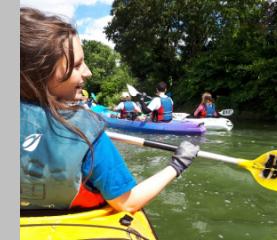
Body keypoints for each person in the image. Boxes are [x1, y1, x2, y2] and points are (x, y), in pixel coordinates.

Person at [20, 7, 199, 212]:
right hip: (165, 122)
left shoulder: (121, 106)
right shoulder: (86, 133)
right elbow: (128, 203)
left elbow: (147, 110)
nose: (88, 72)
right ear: (40, 74)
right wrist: (178, 164)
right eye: (77, 65)